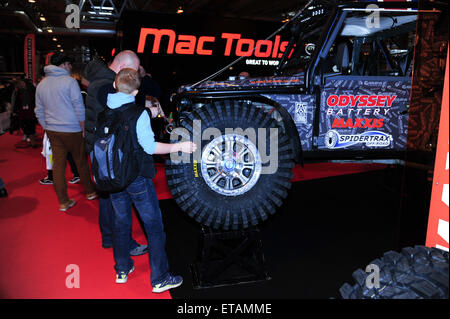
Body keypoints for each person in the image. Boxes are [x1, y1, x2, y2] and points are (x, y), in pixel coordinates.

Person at [105, 68, 197, 292]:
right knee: (154, 227)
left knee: (121, 224)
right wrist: (179, 146)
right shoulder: (139, 115)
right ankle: (160, 278)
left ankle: (122, 269)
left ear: (115, 86)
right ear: (137, 91)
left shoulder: (104, 110)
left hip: (113, 179)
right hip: (136, 179)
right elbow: (150, 147)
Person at [84, 51, 147, 256]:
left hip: (100, 148)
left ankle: (109, 237)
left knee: (107, 196)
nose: (135, 77)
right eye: (133, 71)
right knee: (119, 201)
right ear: (122, 68)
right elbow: (119, 117)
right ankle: (124, 244)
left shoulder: (100, 81)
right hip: (107, 150)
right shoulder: (106, 85)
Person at [35, 53, 97, 211]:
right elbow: (78, 107)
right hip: (72, 129)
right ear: (62, 65)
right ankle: (90, 192)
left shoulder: (42, 84)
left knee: (58, 166)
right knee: (81, 162)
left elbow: (39, 110)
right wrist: (83, 128)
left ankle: (63, 201)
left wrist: (46, 126)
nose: (71, 67)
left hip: (52, 130)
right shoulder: (69, 82)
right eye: (69, 64)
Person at [13, 79, 38, 148]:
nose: (20, 85)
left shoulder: (32, 90)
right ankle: (30, 138)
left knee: (31, 125)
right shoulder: (19, 92)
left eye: (21, 83)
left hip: (31, 112)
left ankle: (32, 141)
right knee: (25, 125)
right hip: (23, 112)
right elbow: (17, 102)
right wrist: (15, 111)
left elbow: (36, 100)